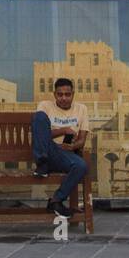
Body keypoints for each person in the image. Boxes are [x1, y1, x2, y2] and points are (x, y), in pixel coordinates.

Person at [32, 78, 89, 219]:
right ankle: (42, 162)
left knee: (82, 165)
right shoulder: (45, 106)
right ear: (54, 94)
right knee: (38, 117)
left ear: (73, 94)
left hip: (65, 154)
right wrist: (64, 130)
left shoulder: (81, 109)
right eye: (60, 94)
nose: (64, 98)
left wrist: (72, 146)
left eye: (67, 94)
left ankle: (56, 201)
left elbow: (82, 140)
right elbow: (40, 133)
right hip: (48, 150)